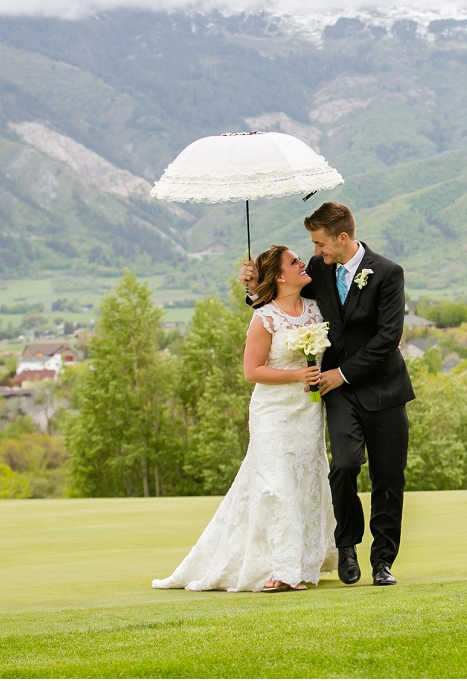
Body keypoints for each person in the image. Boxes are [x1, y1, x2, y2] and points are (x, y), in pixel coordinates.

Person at [241, 202, 414, 586]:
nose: (315, 253)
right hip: (337, 394)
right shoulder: (318, 269)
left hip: (385, 391)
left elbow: (388, 338)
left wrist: (342, 373)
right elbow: (284, 305)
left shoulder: (387, 273)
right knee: (344, 465)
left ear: (342, 238)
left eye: (320, 244)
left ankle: (382, 561)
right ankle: (347, 547)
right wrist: (254, 288)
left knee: (388, 479)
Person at [153, 245, 337, 593]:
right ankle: (283, 570)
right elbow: (251, 371)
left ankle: (301, 563)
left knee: (305, 483)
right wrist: (297, 376)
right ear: (281, 276)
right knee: (277, 485)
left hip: (308, 412)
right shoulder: (264, 317)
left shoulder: (315, 308)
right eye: (294, 261)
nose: (303, 263)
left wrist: (252, 287)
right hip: (272, 413)